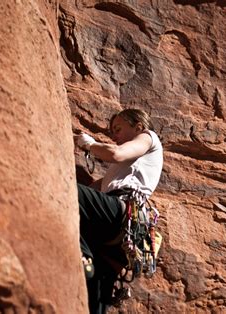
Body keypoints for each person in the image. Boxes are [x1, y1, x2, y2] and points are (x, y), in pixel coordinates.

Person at [74, 108, 163, 313]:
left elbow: (115, 153)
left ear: (138, 126)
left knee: (68, 192)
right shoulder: (119, 172)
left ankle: (83, 254)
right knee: (93, 301)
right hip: (117, 230)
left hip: (123, 211)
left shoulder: (148, 138)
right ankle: (86, 261)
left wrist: (90, 144)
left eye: (118, 129)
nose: (114, 136)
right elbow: (93, 191)